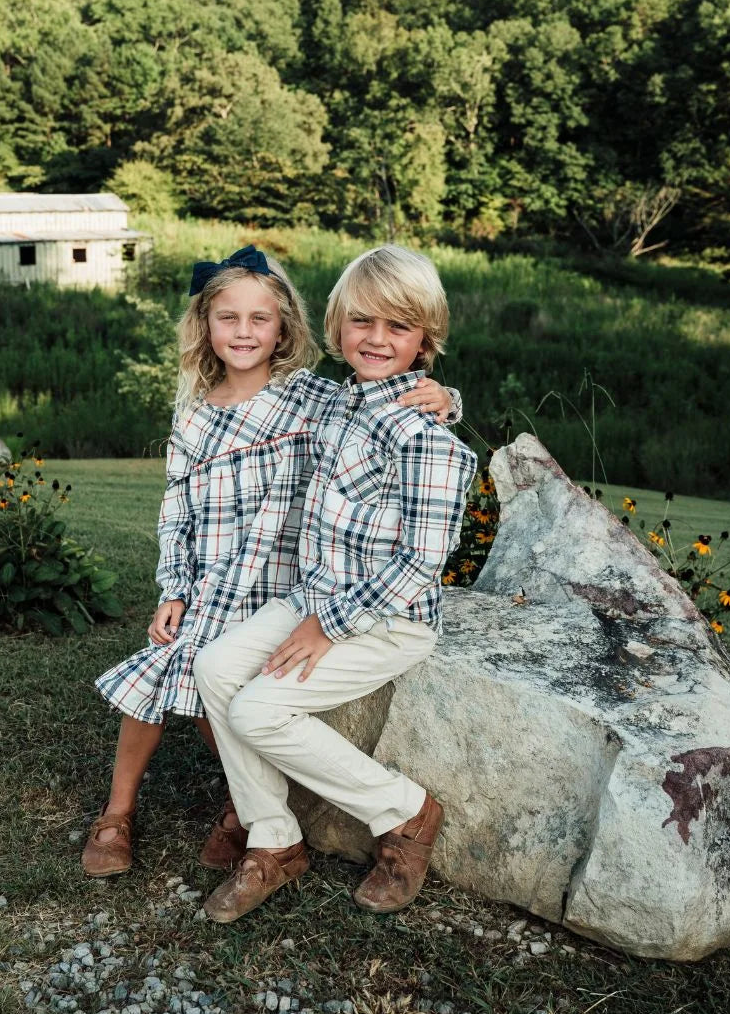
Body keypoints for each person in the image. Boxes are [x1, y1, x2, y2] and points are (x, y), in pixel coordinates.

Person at [83, 246, 458, 877]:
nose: (244, 332)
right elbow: (176, 509)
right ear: (204, 325)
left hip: (280, 580)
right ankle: (141, 815)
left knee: (227, 692)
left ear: (284, 327)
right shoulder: (199, 412)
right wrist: (174, 587)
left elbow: (400, 411)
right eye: (228, 318)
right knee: (179, 665)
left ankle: (251, 811)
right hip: (220, 577)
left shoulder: (307, 397)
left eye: (260, 319)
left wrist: (446, 397)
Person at [193, 244, 477, 921]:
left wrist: (328, 627)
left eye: (398, 327)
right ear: (338, 327)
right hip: (312, 596)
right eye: (362, 323)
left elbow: (419, 565)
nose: (377, 340)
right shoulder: (336, 400)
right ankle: (276, 840)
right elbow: (255, 374)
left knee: (259, 709)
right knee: (214, 668)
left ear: (425, 339)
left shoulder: (429, 441)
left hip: (386, 619)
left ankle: (405, 813)